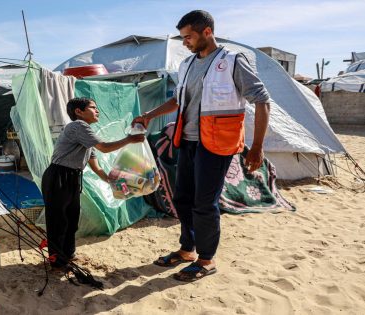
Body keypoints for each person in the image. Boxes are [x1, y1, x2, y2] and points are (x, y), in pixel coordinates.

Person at [132, 10, 271, 281]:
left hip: (217, 144)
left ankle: (206, 260)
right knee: (183, 198)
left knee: (204, 203)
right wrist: (149, 115)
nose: (185, 42)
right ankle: (187, 250)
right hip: (187, 141)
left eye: (189, 37)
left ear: (207, 32)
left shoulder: (232, 61)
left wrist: (257, 147)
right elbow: (177, 101)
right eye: (183, 38)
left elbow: (262, 100)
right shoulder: (186, 65)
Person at [42, 97, 145, 270]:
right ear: (79, 112)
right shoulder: (78, 126)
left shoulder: (86, 135)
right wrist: (128, 140)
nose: (97, 111)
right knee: (58, 221)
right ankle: (57, 261)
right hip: (59, 176)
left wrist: (112, 180)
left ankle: (68, 254)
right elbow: (104, 147)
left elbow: (95, 166)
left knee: (72, 219)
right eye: (93, 107)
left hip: (72, 177)